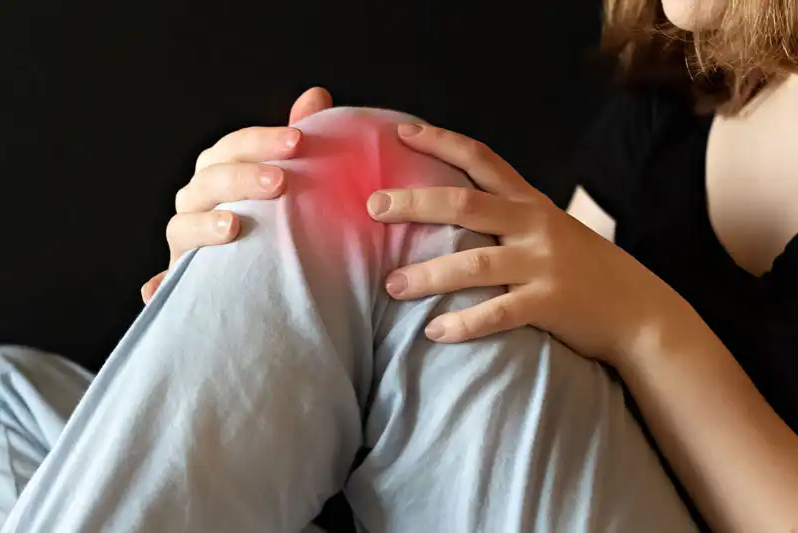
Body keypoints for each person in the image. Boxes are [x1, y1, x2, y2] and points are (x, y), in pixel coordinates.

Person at [145, 0, 798, 531]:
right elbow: (528, 318)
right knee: (334, 176)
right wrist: (243, 277)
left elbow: (582, 321)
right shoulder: (671, 112)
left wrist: (644, 324)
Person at [0, 105, 697, 532]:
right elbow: (542, 318)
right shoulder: (662, 119)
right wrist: (227, 282)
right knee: (6, 392)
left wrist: (643, 322)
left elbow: (600, 322)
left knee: (365, 175)